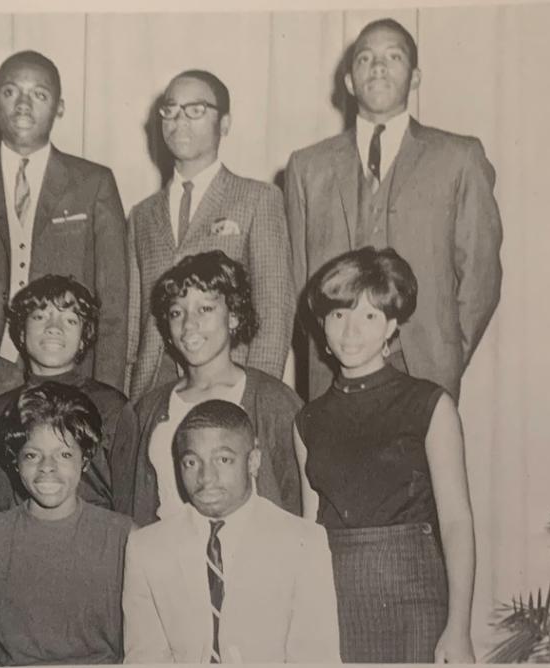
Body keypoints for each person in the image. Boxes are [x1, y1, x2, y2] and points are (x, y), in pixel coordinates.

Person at [285, 18, 503, 401]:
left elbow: (481, 276)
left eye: (394, 57)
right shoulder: (307, 166)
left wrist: (445, 355)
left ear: (416, 77)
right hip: (333, 372)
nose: (379, 66)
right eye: (365, 58)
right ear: (349, 81)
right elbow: (297, 278)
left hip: (425, 371)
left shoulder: (460, 157)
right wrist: (330, 348)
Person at [294, 246, 476, 663]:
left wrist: (459, 627)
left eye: (369, 316)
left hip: (415, 600)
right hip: (333, 599)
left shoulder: (430, 405)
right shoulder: (307, 420)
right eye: (339, 314)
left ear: (392, 325)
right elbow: (309, 533)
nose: (351, 331)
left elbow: (456, 522)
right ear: (322, 324)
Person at [0, 50, 128, 395]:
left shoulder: (93, 183)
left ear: (60, 107)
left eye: (39, 94)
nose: (23, 105)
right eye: (11, 92)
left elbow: (113, 303)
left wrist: (106, 396)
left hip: (71, 374)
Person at [122, 400, 340, 663]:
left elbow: (316, 659)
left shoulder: (303, 542)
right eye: (191, 462)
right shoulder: (147, 548)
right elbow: (144, 658)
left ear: (253, 461)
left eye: (223, 460)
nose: (206, 478)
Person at [126, 69, 295, 401]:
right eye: (170, 110)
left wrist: (254, 398)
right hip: (153, 390)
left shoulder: (258, 198)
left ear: (225, 123)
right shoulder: (141, 214)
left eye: (196, 110)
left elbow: (274, 311)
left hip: (231, 384)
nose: (180, 120)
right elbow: (134, 322)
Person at [111, 250, 301, 526]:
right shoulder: (146, 412)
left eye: (205, 309)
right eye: (177, 312)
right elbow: (129, 512)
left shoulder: (274, 402)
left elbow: (298, 505)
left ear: (233, 316)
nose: (189, 325)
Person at [0, 382, 133, 666]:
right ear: (15, 461)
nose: (46, 467)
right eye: (32, 454)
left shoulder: (125, 537)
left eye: (64, 454)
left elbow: (142, 651)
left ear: (85, 459)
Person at [0, 275, 127, 516]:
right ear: (22, 334)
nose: (53, 328)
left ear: (83, 339)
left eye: (69, 320)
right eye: (39, 317)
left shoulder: (112, 406)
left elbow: (128, 500)